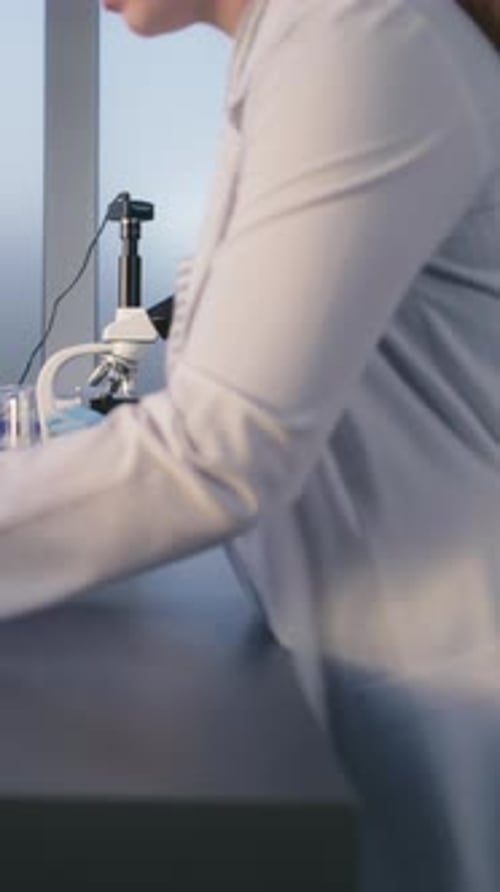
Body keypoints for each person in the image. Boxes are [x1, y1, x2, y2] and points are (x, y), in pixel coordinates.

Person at [2, 0, 500, 888]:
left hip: (447, 677)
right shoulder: (314, 46)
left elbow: (216, 450)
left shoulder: (367, 36)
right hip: (393, 662)